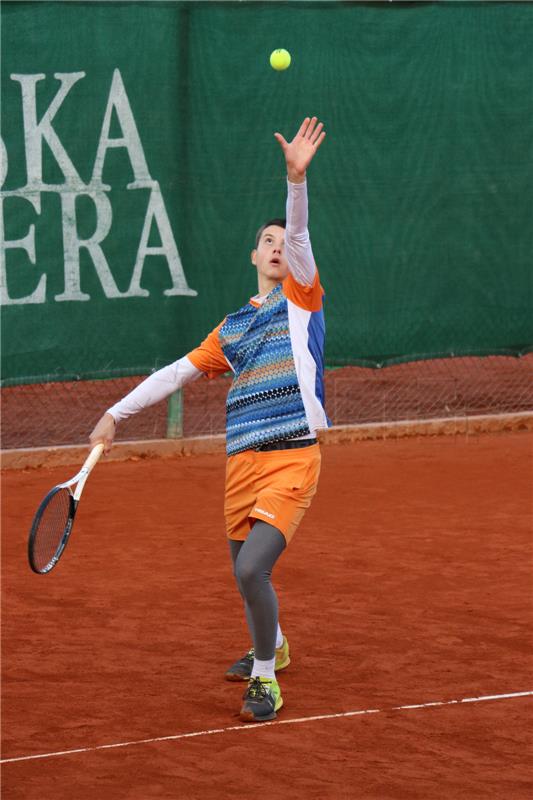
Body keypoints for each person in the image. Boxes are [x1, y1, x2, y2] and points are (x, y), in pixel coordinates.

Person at [89, 116, 328, 723]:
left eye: (284, 240)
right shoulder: (233, 328)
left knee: (253, 566)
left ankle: (267, 680)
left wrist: (294, 182)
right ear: (253, 255)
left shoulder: (302, 296)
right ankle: (273, 642)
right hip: (240, 465)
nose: (278, 245)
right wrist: (114, 414)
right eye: (268, 241)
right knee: (245, 578)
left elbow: (298, 230)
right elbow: (175, 373)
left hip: (292, 456)